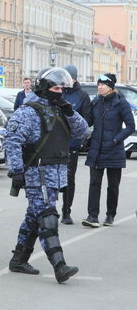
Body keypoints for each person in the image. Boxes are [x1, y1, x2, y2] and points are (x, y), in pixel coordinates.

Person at [4, 67, 88, 284]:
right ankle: (59, 266)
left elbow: (81, 130)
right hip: (37, 172)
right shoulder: (28, 111)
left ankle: (18, 259)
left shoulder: (60, 108)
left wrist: (69, 110)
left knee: (35, 216)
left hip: (57, 172)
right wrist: (16, 170)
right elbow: (12, 141)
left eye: (62, 88)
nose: (60, 92)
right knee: (47, 217)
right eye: (55, 87)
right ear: (43, 87)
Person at [82, 74, 135, 228]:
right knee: (94, 183)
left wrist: (116, 140)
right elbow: (88, 121)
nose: (99, 87)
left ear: (110, 87)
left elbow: (131, 126)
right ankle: (92, 216)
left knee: (112, 186)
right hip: (97, 150)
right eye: (98, 84)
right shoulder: (96, 102)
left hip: (114, 150)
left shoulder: (121, 103)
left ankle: (110, 214)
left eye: (102, 85)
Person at [59, 65, 92, 225]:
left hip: (72, 143)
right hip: (55, 142)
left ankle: (66, 211)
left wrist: (74, 127)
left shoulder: (82, 95)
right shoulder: (58, 92)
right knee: (51, 176)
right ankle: (48, 210)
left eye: (68, 78)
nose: (65, 82)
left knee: (69, 177)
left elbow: (87, 120)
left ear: (74, 78)